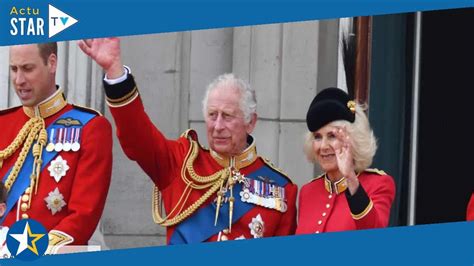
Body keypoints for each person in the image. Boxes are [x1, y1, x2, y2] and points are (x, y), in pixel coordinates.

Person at [79, 38, 297, 244]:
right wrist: (115, 72)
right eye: (212, 115)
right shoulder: (181, 163)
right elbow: (137, 136)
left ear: (251, 122)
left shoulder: (280, 188)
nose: (218, 126)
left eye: (228, 116)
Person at [0, 43, 112, 251]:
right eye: (14, 69)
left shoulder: (90, 128)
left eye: (27, 68)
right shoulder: (3, 124)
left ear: (51, 63)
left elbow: (83, 216)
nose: (18, 80)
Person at [296, 87, 395, 234]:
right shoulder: (308, 192)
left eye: (332, 136)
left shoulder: (378, 184)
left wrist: (350, 177)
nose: (323, 146)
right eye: (317, 137)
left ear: (352, 140)